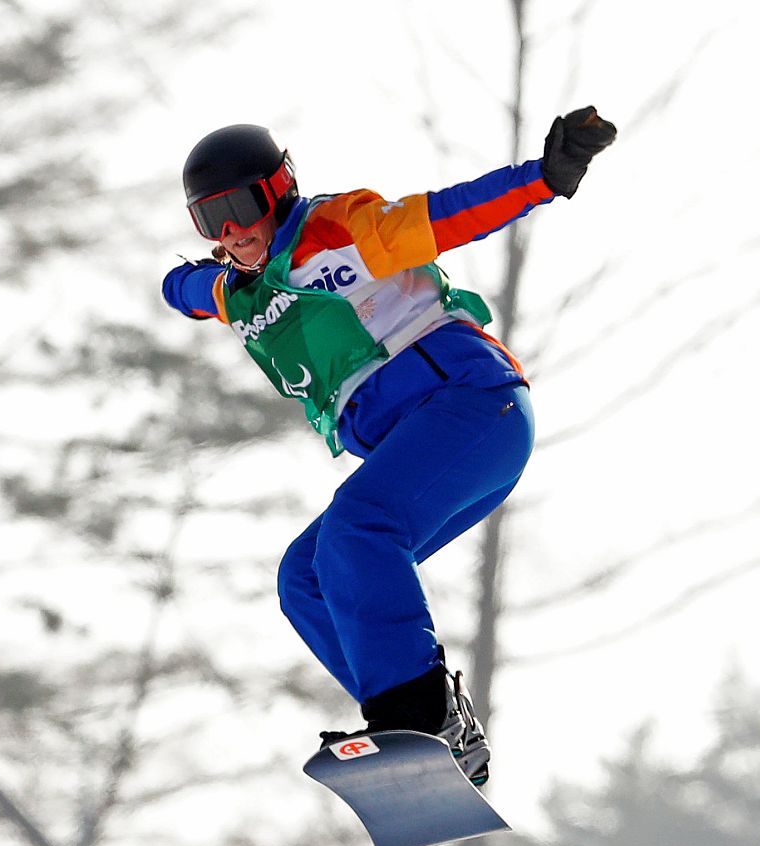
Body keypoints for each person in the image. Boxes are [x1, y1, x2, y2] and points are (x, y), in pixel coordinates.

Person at [161, 108, 616, 785]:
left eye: (240, 208)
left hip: (470, 404)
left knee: (356, 528)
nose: (231, 232)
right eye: (210, 220)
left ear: (279, 189)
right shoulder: (242, 291)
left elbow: (448, 217)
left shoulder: (339, 231)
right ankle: (426, 731)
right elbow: (186, 290)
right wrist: (190, 284)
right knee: (307, 577)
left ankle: (419, 714)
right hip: (427, 447)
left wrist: (544, 178)